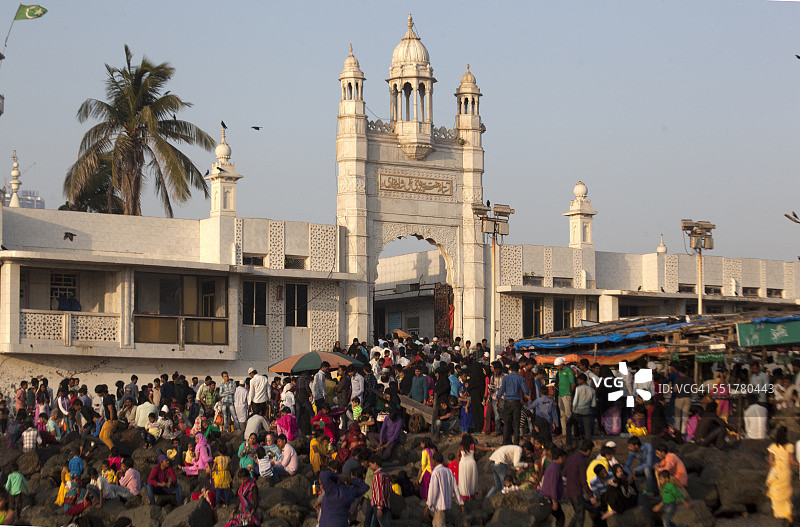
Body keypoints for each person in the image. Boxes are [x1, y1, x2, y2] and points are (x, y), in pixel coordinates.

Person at [766, 426, 799, 524]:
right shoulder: (789, 446)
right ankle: (788, 516)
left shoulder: (773, 446)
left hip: (776, 473)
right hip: (785, 473)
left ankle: (779, 517)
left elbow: (770, 461)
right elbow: (793, 462)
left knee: (776, 495)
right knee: (786, 496)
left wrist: (774, 466)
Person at [424, 451, 464, 527]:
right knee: (435, 523)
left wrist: (428, 504)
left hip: (439, 503)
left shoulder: (435, 472)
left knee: (440, 523)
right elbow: (455, 488)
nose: (431, 462)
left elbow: (433, 490)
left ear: (435, 461)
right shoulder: (448, 471)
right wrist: (460, 502)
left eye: (432, 460)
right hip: (446, 501)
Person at [497, 361, 531, 445]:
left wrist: (497, 397)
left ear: (510, 369)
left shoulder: (506, 378)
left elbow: (501, 390)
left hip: (507, 402)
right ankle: (516, 442)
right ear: (518, 369)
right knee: (516, 423)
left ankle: (505, 441)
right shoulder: (521, 378)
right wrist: (529, 392)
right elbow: (526, 391)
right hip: (517, 402)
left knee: (507, 423)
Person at [563, 440, 595, 527]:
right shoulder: (581, 461)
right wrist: (591, 495)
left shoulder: (571, 458)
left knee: (577, 515)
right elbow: (583, 480)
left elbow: (564, 473)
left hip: (569, 491)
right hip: (576, 492)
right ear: (588, 450)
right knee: (580, 517)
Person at [539, 447, 566, 527]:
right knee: (560, 517)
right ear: (560, 457)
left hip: (549, 497)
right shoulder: (554, 468)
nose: (564, 460)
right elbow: (553, 485)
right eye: (564, 458)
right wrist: (554, 501)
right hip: (549, 497)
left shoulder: (555, 467)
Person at [365, 455, 391, 527]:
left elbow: (379, 491)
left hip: (379, 505)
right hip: (385, 503)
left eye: (371, 465)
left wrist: (379, 507)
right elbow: (389, 490)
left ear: (375, 464)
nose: (370, 467)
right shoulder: (385, 474)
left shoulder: (378, 476)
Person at [555, 357, 575, 435]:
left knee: (568, 414)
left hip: (567, 394)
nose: (557, 368)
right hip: (560, 394)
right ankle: (564, 432)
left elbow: (572, 383)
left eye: (557, 366)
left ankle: (571, 432)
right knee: (562, 414)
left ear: (561, 364)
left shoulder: (568, 371)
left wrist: (570, 393)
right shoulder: (559, 372)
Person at [457, 435, 478, 500]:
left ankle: (464, 495)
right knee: (472, 479)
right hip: (472, 463)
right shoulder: (473, 446)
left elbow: (458, 456)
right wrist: (493, 448)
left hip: (463, 464)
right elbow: (483, 448)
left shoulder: (461, 447)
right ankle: (472, 494)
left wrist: (459, 464)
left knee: (463, 480)